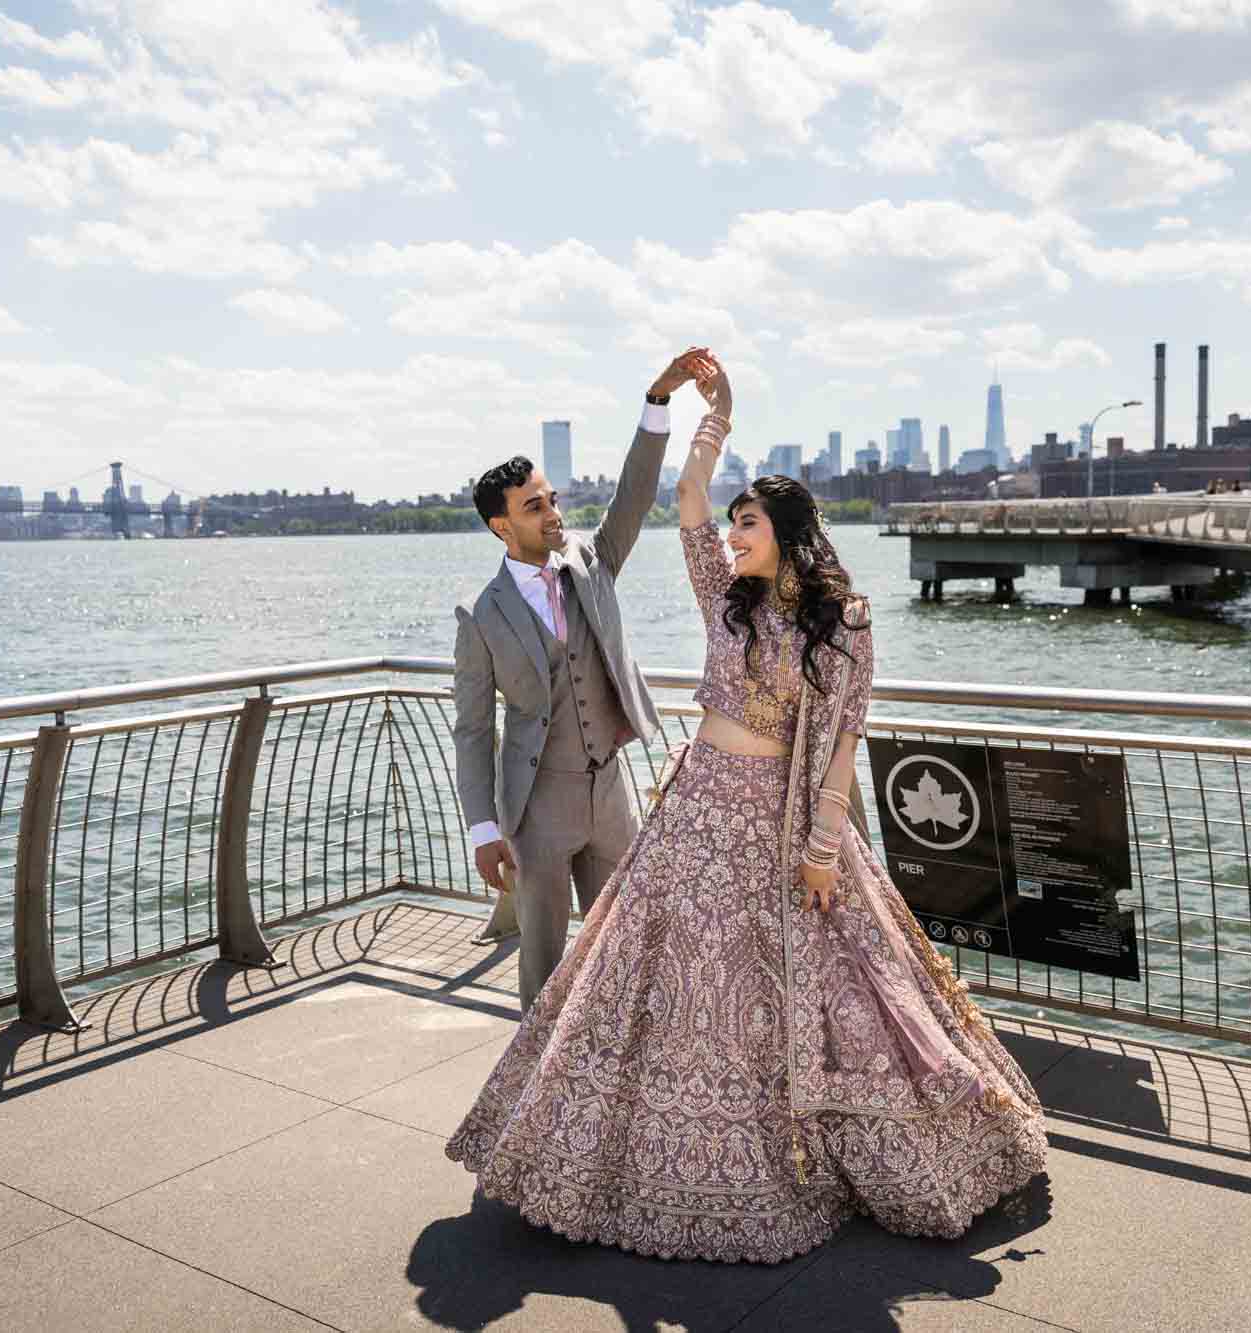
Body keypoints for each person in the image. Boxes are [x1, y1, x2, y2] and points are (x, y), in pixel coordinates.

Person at [447, 352, 1048, 1263]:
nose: (730, 535)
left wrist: (819, 843)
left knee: (784, 987)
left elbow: (842, 736)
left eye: (748, 523)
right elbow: (684, 499)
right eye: (731, 524)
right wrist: (711, 419)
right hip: (693, 812)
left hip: (776, 821)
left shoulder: (843, 623)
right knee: (649, 979)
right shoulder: (723, 603)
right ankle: (581, 1147)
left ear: (789, 533)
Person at [451, 347, 709, 1011]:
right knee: (543, 963)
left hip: (611, 797)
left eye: (552, 498)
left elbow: (633, 496)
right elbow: (474, 730)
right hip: (537, 806)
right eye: (535, 506)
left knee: (622, 945)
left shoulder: (591, 561)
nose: (553, 512)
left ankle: (619, 1076)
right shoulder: (482, 615)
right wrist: (484, 830)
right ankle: (540, 1093)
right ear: (501, 524)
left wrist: (658, 401)